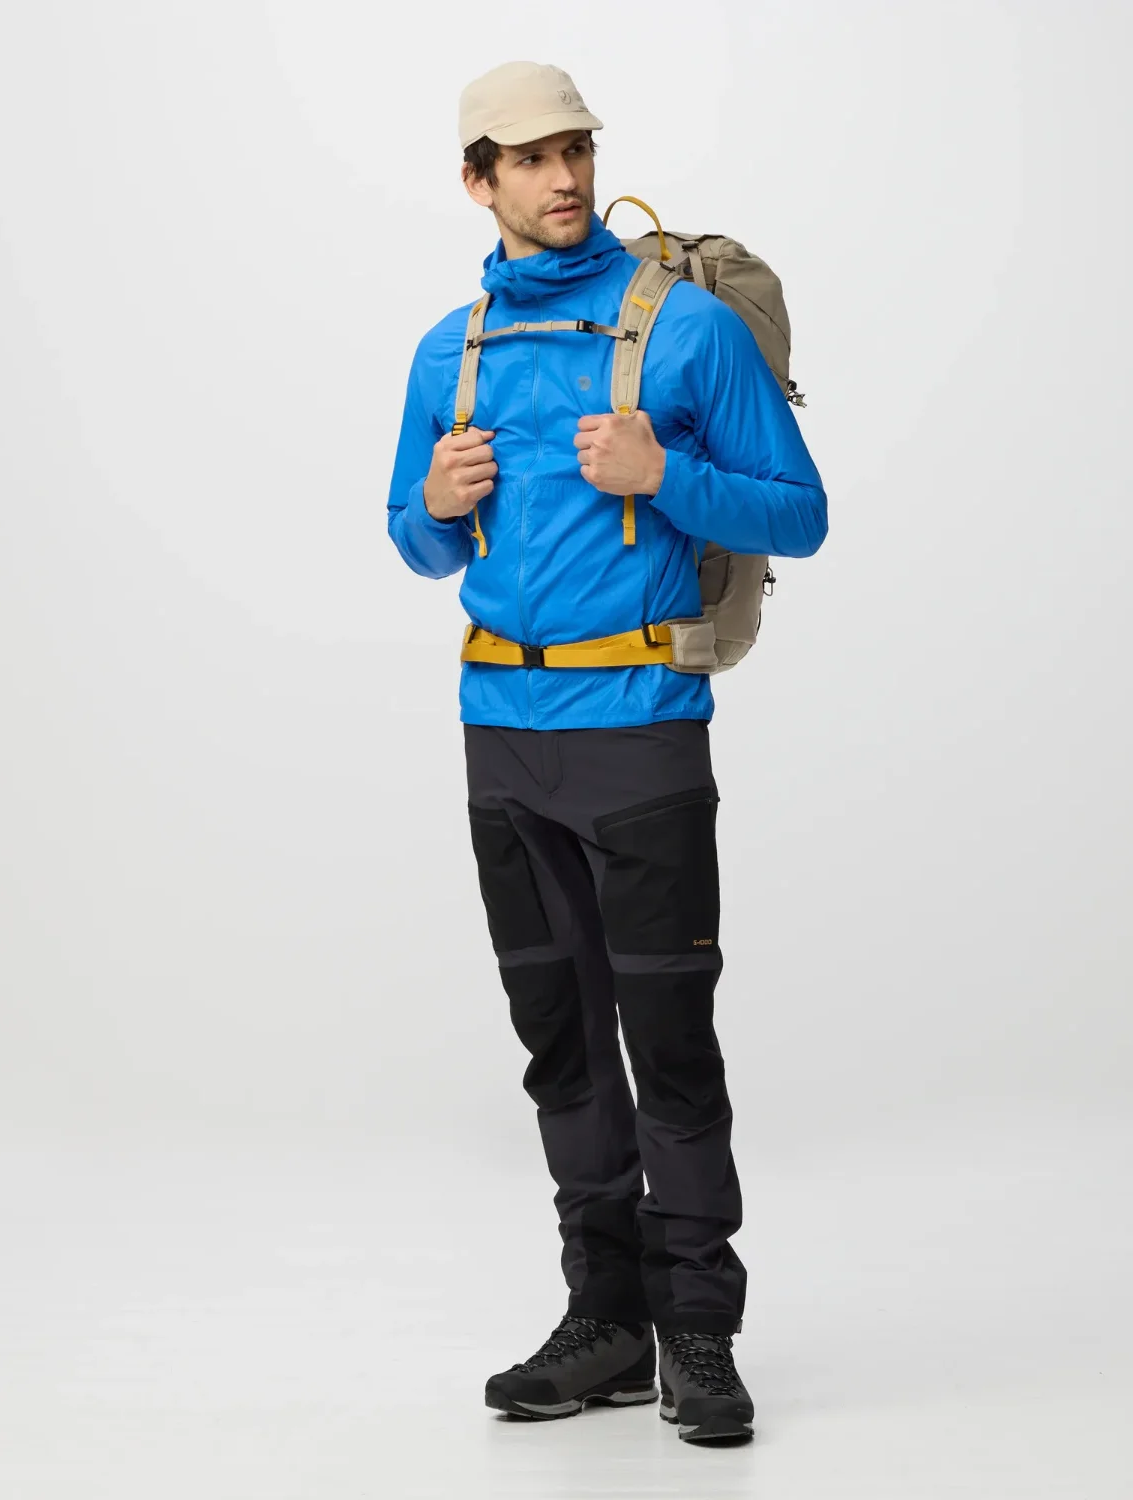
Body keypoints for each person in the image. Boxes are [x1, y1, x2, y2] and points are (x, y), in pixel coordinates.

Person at [385, 59, 828, 1444]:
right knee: (563, 1046)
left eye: (575, 148)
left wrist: (665, 477)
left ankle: (699, 1329)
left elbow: (800, 512)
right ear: (479, 181)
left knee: (670, 1043)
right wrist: (433, 505)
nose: (565, 176)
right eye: (529, 158)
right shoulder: (449, 350)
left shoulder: (686, 329)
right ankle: (609, 1321)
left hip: (640, 737)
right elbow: (417, 540)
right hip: (501, 741)